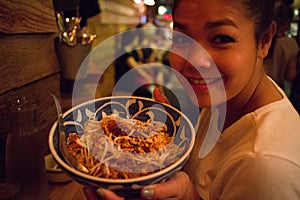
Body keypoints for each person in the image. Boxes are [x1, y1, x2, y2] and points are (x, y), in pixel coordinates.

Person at [85, 0, 300, 199]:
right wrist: (167, 144)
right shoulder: (226, 100)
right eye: (181, 38)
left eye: (222, 39)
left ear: (264, 40)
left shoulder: (265, 165)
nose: (195, 60)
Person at [264, 4, 299, 95]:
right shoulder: (290, 44)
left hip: (258, 88)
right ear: (288, 23)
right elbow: (290, 75)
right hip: (276, 91)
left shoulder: (263, 39)